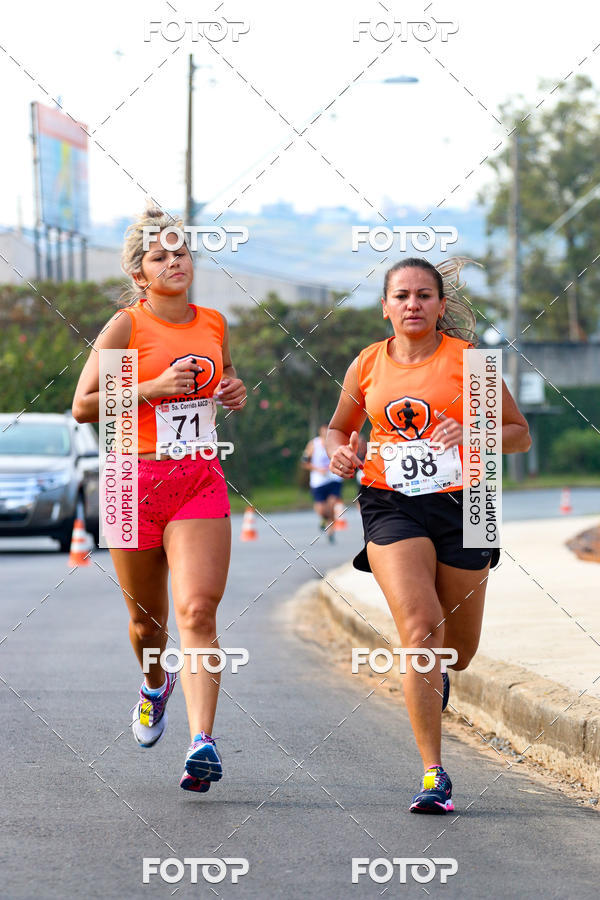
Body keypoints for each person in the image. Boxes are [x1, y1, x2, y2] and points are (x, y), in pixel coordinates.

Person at [326, 257, 531, 814]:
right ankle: (433, 774)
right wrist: (340, 453)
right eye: (401, 295)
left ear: (441, 306)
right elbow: (339, 429)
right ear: (385, 307)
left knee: (457, 652)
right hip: (390, 503)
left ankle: (439, 671)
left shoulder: (470, 362)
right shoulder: (366, 363)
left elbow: (519, 436)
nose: (412, 304)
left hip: (469, 504)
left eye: (423, 295)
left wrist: (475, 431)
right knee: (420, 632)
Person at [72, 207, 246, 793]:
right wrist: (150, 387)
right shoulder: (126, 326)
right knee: (147, 627)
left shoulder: (213, 322)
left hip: (198, 477)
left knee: (197, 612)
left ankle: (202, 742)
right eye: (160, 256)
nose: (174, 262)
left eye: (181, 252)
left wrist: (232, 390)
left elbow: (220, 379)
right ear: (139, 273)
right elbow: (84, 406)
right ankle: (154, 685)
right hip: (131, 482)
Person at [301, 424, 343, 542]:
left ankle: (331, 531)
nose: (325, 433)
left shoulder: (336, 442)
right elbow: (304, 462)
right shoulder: (313, 445)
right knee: (322, 509)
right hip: (318, 481)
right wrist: (318, 469)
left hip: (334, 479)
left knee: (332, 504)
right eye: (323, 431)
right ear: (320, 432)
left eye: (327, 431)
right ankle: (324, 520)